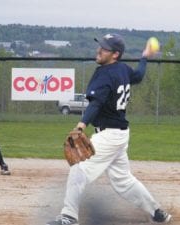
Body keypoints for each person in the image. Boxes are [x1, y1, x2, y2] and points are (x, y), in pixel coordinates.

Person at [46, 34, 172, 225]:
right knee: (123, 181)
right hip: (119, 134)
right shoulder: (122, 69)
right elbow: (138, 76)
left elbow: (96, 103)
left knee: (79, 168)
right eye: (100, 46)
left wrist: (81, 125)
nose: (99, 50)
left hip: (110, 134)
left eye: (104, 48)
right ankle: (157, 213)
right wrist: (144, 57)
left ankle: (68, 217)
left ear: (115, 54)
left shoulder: (105, 73)